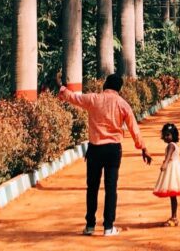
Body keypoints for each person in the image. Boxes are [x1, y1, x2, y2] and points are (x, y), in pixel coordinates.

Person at [58, 72, 152, 236]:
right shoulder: (122, 104)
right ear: (119, 88)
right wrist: (142, 147)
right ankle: (108, 227)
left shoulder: (94, 99)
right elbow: (133, 127)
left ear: (105, 85)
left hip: (95, 149)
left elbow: (74, 98)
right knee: (111, 188)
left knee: (92, 188)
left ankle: (90, 226)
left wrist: (62, 88)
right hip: (113, 150)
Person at [153, 122, 180, 226]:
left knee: (173, 195)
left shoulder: (171, 145)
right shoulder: (174, 145)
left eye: (168, 135)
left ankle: (174, 218)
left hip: (172, 171)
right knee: (172, 196)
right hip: (174, 169)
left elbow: (169, 156)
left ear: (173, 135)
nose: (166, 137)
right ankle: (174, 216)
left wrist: (165, 164)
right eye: (165, 134)